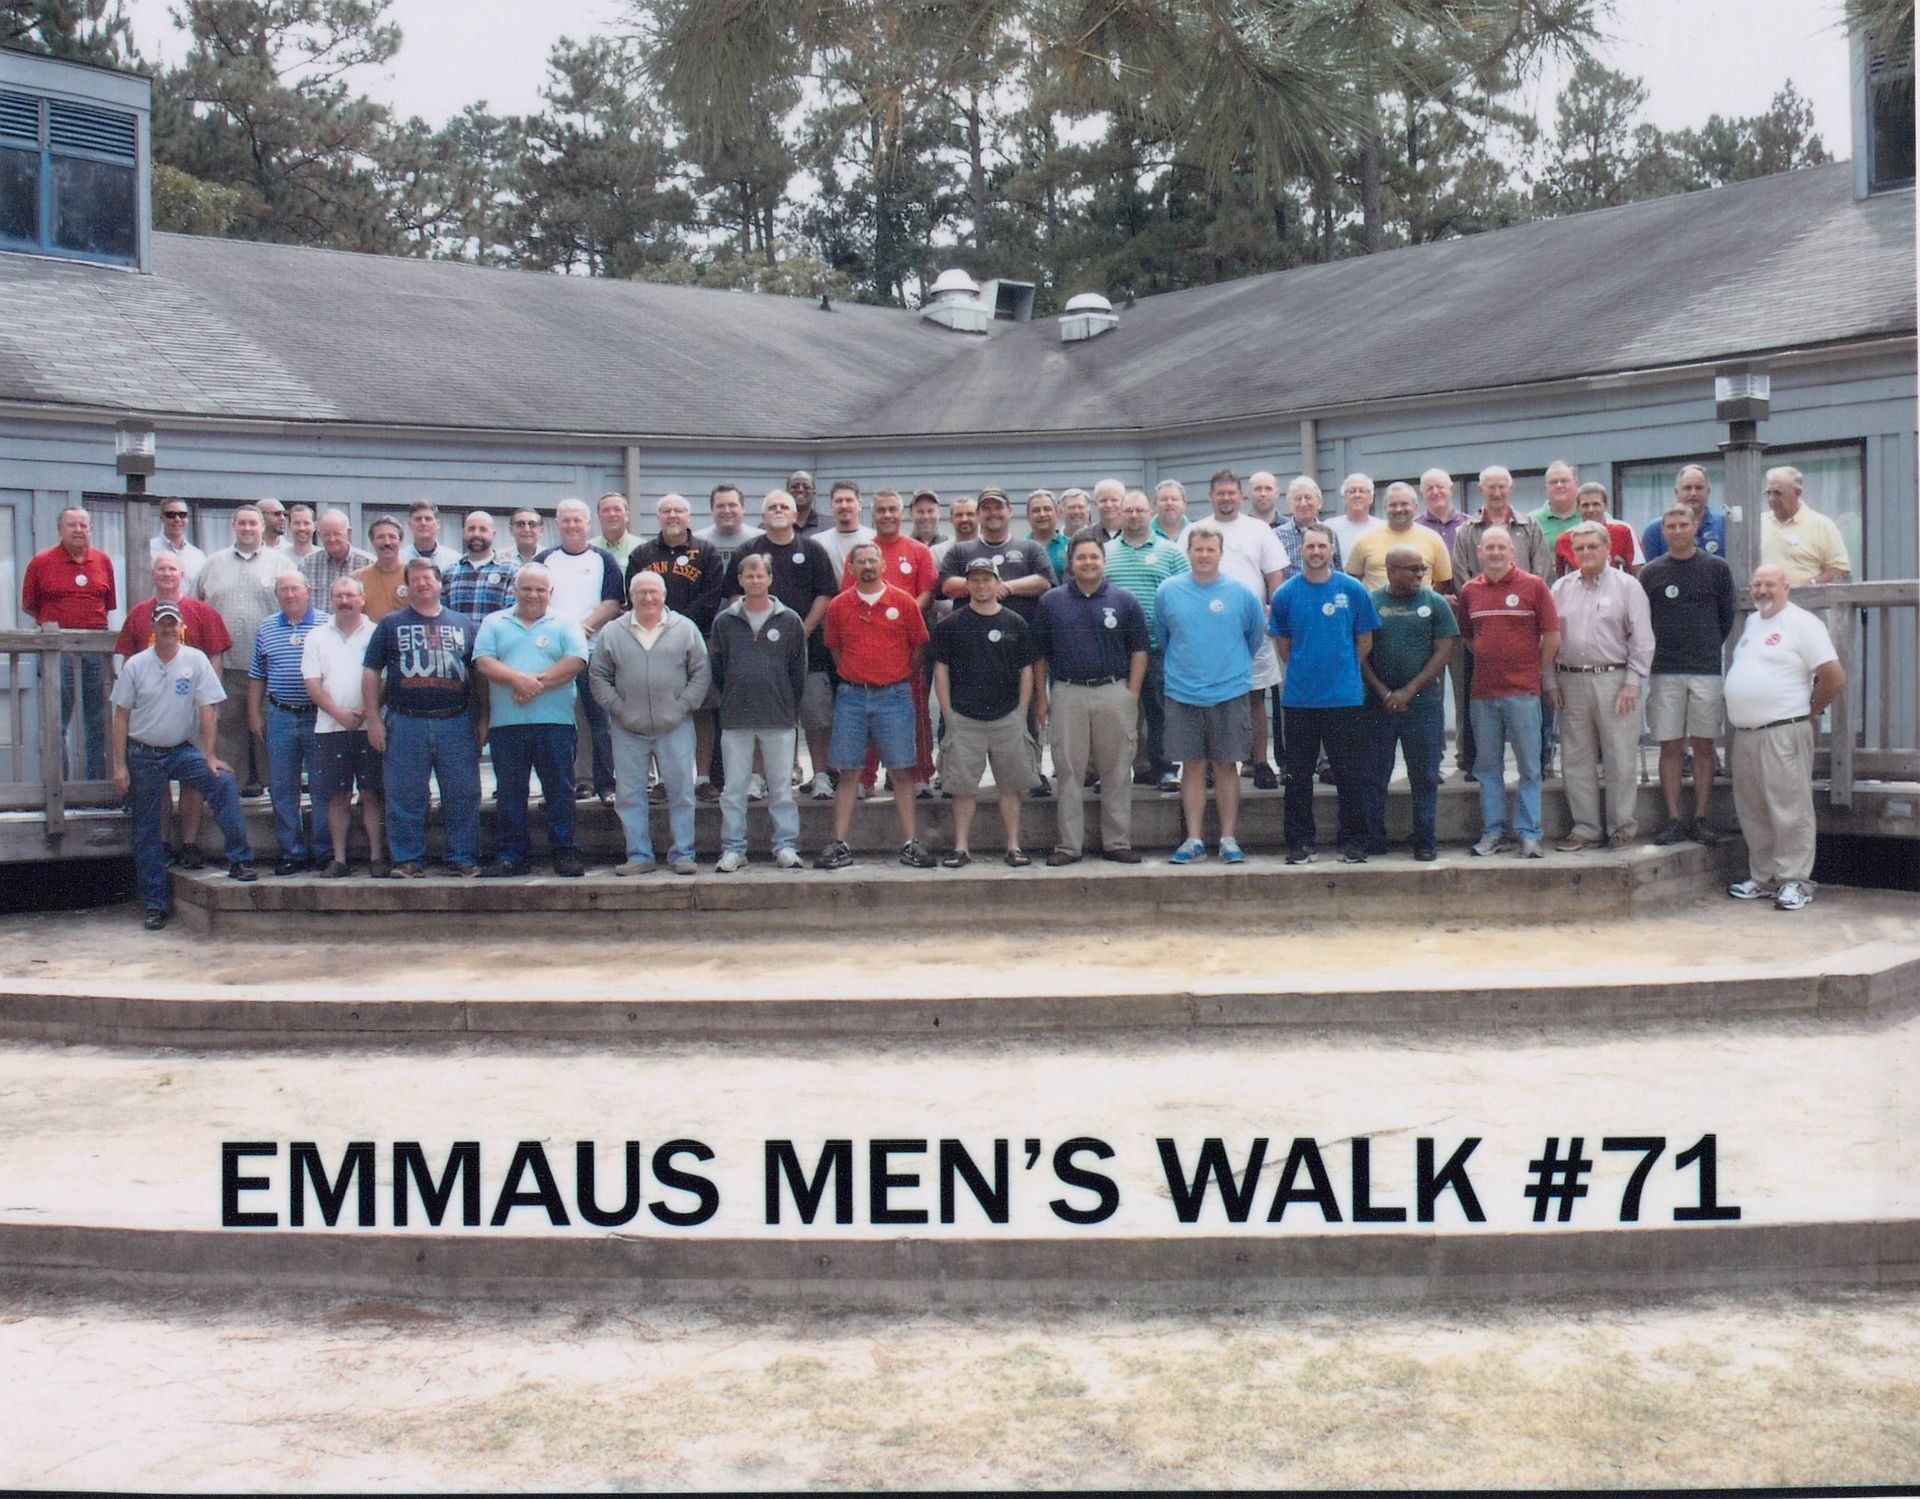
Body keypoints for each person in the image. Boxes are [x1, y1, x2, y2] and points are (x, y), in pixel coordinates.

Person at [111, 601, 257, 928]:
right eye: (162, 623)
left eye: (172, 623)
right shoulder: (136, 665)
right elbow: (120, 717)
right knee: (147, 830)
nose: (167, 629)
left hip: (180, 749)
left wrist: (209, 755)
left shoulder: (196, 660)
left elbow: (208, 709)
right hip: (143, 753)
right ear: (152, 626)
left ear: (181, 627)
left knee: (222, 782)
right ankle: (155, 904)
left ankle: (241, 860)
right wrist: (120, 766)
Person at [1725, 564, 1845, 911]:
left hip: (1783, 731)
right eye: (1756, 584)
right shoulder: (1752, 623)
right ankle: (1763, 879)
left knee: (1789, 809)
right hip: (1746, 733)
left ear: (1787, 587)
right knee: (1754, 809)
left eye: (1769, 584)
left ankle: (1796, 881)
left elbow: (1833, 676)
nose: (1762, 590)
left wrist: (1812, 708)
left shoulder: (1803, 623)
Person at [1032, 531, 1150, 865]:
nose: (1088, 563)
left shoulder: (1124, 600)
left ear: (1103, 561)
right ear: (1071, 563)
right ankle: (1069, 846)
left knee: (1116, 770)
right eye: (1081, 557)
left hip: (1114, 693)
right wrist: (1042, 698)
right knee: (1069, 771)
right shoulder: (1051, 602)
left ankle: (1117, 842)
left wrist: (1131, 694)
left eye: (1094, 557)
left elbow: (1140, 650)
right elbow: (1039, 655)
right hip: (1067, 692)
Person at [817, 540, 936, 869]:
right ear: (851, 568)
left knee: (901, 771)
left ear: (883, 565)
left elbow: (918, 649)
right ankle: (839, 844)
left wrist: (895, 678)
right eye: (861, 562)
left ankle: (911, 843)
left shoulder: (904, 603)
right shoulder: (839, 606)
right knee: (848, 772)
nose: (867, 566)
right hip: (852, 697)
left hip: (894, 696)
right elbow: (835, 650)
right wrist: (857, 676)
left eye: (873, 560)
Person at [362, 558, 483, 878]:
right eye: (414, 580)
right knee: (404, 795)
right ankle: (408, 859)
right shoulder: (389, 624)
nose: (422, 584)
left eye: (427, 578)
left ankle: (462, 857)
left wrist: (482, 720)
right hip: (405, 722)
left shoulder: (464, 624)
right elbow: (372, 671)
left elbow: (478, 675)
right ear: (407, 586)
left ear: (440, 583)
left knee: (463, 792)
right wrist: (373, 719)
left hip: (455, 721)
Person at [1154, 521, 1266, 864]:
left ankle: (1228, 839)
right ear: (1188, 552)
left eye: (1210, 550)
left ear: (1220, 553)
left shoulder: (1242, 592)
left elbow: (1254, 637)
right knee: (1192, 766)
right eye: (1198, 549)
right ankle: (1193, 840)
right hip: (1183, 692)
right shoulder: (1168, 591)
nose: (1204, 555)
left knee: (1226, 766)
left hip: (1229, 691)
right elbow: (1164, 637)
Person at [1270, 523, 1380, 864]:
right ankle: (1300, 842)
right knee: (1297, 776)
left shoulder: (1353, 590)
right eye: (1310, 547)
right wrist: (1309, 668)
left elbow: (1365, 641)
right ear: (1300, 550)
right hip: (1301, 699)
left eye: (1321, 546)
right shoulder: (1286, 594)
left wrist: (1340, 666)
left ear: (1332, 550)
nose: (1315, 552)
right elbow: (1284, 646)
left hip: (1344, 698)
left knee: (1350, 773)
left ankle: (1354, 841)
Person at [474, 562, 589, 878]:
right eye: (527, 588)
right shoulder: (495, 622)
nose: (534, 594)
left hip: (556, 723)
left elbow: (575, 661)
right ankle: (512, 856)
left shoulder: (565, 622)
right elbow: (483, 661)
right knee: (511, 791)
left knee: (559, 791)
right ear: (515, 590)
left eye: (541, 589)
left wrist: (531, 684)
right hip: (506, 725)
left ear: (550, 592)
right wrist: (518, 681)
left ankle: (565, 853)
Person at [591, 571, 710, 876]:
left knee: (681, 792)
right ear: (631, 596)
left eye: (653, 592)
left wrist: (683, 706)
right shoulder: (613, 632)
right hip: (628, 728)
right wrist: (619, 709)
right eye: (641, 592)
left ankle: (683, 853)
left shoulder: (684, 628)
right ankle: (639, 855)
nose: (647, 598)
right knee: (630, 795)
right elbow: (598, 676)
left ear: (664, 596)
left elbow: (701, 672)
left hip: (675, 726)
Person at [116, 553, 232, 868]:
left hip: (193, 712)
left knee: (195, 778)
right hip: (153, 713)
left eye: (173, 569)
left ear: (183, 574)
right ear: (153, 574)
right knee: (159, 785)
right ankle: (164, 842)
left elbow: (216, 657)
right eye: (162, 568)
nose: (168, 574)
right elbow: (128, 660)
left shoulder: (202, 612)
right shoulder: (139, 614)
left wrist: (213, 701)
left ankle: (190, 843)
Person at [938, 485, 1056, 792]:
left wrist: (1006, 587)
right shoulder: (962, 550)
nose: (993, 513)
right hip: (968, 654)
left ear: (1009, 512)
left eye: (998, 507)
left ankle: (1032, 773)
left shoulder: (1029, 549)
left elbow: (1044, 580)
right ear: (979, 514)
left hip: (1018, 649)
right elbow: (947, 584)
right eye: (986, 508)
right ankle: (951, 775)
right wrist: (982, 586)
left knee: (1025, 712)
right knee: (960, 715)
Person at [724, 489, 839, 800]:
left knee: (815, 715)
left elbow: (825, 595)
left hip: (809, 652)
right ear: (762, 516)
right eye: (771, 506)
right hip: (760, 654)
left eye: (784, 507)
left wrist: (801, 632)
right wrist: (758, 632)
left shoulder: (812, 550)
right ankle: (758, 778)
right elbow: (735, 595)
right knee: (763, 717)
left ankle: (821, 776)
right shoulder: (748, 550)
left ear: (794, 515)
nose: (778, 510)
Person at [1547, 523, 1654, 851]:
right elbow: (1548, 639)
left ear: (1608, 549)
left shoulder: (1627, 586)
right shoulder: (1560, 588)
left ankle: (1621, 826)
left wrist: (1633, 681)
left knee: (1620, 756)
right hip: (1570, 679)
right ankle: (1586, 828)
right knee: (1576, 758)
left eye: (1593, 547)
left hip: (1614, 680)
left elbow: (1643, 637)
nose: (1586, 553)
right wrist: (1549, 680)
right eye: (1580, 549)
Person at [1457, 526, 1560, 858]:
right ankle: (1494, 832)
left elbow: (1552, 636)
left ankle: (1530, 833)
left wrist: (1533, 669)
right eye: (1490, 548)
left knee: (1530, 766)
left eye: (1503, 548)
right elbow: (1469, 638)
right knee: (1487, 767)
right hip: (1483, 695)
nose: (1497, 553)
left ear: (1513, 552)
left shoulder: (1534, 586)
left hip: (1523, 693)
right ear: (1480, 553)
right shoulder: (1471, 591)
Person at [1641, 504, 1738, 846]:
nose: (1678, 530)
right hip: (1664, 669)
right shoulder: (1650, 573)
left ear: (1695, 526)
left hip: (1705, 670)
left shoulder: (1717, 568)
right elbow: (1643, 622)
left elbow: (1726, 617)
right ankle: (1673, 819)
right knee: (1669, 745)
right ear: (1663, 530)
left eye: (1684, 524)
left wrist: (1707, 646)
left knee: (1704, 745)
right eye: (1671, 525)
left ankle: (1700, 818)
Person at [932, 555, 1038, 868]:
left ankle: (1014, 846)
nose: (981, 585)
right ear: (967, 585)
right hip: (965, 718)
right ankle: (961, 848)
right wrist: (948, 714)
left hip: (1007, 717)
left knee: (1011, 785)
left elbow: (1027, 671)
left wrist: (1022, 712)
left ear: (997, 582)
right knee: (963, 788)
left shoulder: (1015, 623)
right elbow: (941, 671)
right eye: (975, 580)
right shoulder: (952, 625)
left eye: (987, 579)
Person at [708, 551, 807, 871]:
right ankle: (734, 848)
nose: (754, 580)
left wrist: (788, 706)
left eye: (760, 575)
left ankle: (785, 846)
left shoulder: (789, 620)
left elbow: (798, 671)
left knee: (781, 789)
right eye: (748, 576)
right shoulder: (724, 621)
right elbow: (717, 669)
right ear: (739, 580)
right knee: (734, 790)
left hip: (778, 717)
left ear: (770, 579)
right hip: (736, 718)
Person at [1359, 545, 1458, 860]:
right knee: (1375, 774)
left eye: (1422, 568)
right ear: (1390, 570)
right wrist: (1383, 691)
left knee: (1425, 774)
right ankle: (1375, 838)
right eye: (1412, 568)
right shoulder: (1371, 603)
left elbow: (1443, 651)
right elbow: (1360, 652)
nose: (1420, 574)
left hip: (1423, 705)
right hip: (1378, 705)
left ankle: (1425, 839)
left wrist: (1409, 690)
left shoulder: (1435, 602)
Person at [626, 493, 726, 800]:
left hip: (699, 637)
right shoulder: (642, 554)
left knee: (704, 708)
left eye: (679, 511)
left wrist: (678, 625)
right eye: (666, 511)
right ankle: (665, 780)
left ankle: (704, 778)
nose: (673, 515)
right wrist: (663, 627)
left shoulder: (706, 552)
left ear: (688, 516)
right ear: (657, 517)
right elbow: (634, 596)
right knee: (661, 707)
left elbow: (713, 596)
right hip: (652, 641)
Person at [844, 487, 939, 796]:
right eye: (881, 510)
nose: (887, 515)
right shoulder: (862, 552)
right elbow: (848, 596)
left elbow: (926, 593)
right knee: (867, 712)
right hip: (868, 649)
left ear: (903, 514)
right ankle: (866, 778)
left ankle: (920, 775)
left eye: (892, 510)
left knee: (916, 713)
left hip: (909, 645)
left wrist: (902, 615)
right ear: (873, 514)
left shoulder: (919, 552)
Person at [537, 497, 625, 802]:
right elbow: (537, 603)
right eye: (566, 520)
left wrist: (578, 630)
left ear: (588, 524)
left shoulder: (603, 560)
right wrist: (564, 635)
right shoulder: (544, 560)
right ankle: (577, 781)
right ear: (558, 524)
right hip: (555, 655)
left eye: (578, 520)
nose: (573, 525)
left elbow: (612, 603)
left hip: (595, 652)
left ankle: (606, 783)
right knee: (565, 722)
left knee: (600, 722)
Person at [1204, 469, 1287, 790]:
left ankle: (1260, 762)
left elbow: (1275, 576)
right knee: (1212, 701)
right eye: (1220, 493)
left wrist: (1269, 612)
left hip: (1252, 627)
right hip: (1209, 632)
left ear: (1241, 496)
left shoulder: (1259, 530)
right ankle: (1214, 765)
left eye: (1231, 493)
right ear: (1211, 497)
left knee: (1255, 697)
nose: (1226, 499)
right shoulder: (1197, 531)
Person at [300, 576, 386, 878]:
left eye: (350, 595)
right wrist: (339, 713)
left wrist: (366, 712)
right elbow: (312, 682)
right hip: (329, 727)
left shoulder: (377, 632)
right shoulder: (316, 636)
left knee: (372, 793)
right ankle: (339, 859)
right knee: (337, 797)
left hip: (370, 726)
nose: (344, 601)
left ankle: (377, 858)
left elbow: (385, 678)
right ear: (331, 600)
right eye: (339, 595)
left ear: (362, 599)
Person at [1103, 490, 1189, 793]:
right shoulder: (1105, 552)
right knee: (1114, 716)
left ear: (1149, 511)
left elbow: (1186, 597)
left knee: (1160, 712)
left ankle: (1165, 769)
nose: (1134, 516)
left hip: (1158, 648)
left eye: (1140, 510)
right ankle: (1111, 774)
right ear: (1120, 514)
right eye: (1129, 511)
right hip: (1113, 650)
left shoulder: (1171, 552)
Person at [23, 505, 116, 782]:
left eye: (83, 525)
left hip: (95, 651)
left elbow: (107, 604)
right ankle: (59, 785)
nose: (78, 530)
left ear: (90, 529)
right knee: (56, 720)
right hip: (57, 652)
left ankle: (96, 784)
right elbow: (30, 606)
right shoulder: (41, 562)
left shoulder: (103, 561)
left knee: (97, 721)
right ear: (60, 529)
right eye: (72, 525)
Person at [248, 569, 332, 874]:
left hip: (317, 715)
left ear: (308, 591)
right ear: (277, 595)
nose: (290, 594)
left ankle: (324, 851)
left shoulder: (326, 623)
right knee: (283, 787)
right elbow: (258, 673)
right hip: (281, 714)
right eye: (283, 589)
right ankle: (293, 852)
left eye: (295, 588)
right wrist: (254, 714)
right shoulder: (267, 627)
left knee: (323, 785)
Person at [193, 504, 280, 795]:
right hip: (225, 665)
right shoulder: (212, 563)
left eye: (252, 524)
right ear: (233, 526)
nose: (247, 528)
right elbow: (195, 609)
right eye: (241, 523)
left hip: (268, 668)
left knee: (266, 730)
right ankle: (233, 791)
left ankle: (271, 789)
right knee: (228, 731)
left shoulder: (281, 564)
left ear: (261, 527)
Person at [1344, 482, 1454, 591]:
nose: (1398, 509)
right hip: (1376, 607)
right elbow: (1352, 579)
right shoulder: (1365, 539)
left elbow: (1443, 581)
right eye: (1393, 505)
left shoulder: (1433, 539)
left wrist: (1426, 600)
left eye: (1404, 504)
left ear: (1416, 507)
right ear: (1385, 508)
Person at [1760, 465, 1851, 584]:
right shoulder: (1758, 523)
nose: (1772, 498)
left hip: (1808, 601)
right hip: (1763, 600)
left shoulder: (1821, 524)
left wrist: (1811, 584)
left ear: (1798, 492)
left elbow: (1840, 569)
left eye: (1778, 493)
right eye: (1769, 493)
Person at [1641, 464, 1726, 564]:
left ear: (1708, 491)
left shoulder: (1725, 525)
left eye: (1699, 488)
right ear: (1677, 492)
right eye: (1687, 488)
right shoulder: (1654, 530)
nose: (1693, 493)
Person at [1552, 483, 1640, 577]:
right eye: (1585, 505)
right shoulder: (1564, 540)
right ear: (1577, 508)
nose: (1590, 509)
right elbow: (1561, 575)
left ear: (1606, 505)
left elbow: (1637, 569)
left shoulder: (1624, 531)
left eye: (1596, 504)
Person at [443, 511, 518, 620]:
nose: (476, 534)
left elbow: (511, 615)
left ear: (494, 534)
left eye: (483, 529)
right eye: (471, 529)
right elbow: (443, 616)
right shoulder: (449, 573)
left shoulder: (510, 571)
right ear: (463, 533)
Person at [1274, 477, 1341, 576]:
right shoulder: (1277, 536)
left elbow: (1338, 570)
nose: (1303, 503)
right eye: (1298, 498)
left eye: (1308, 497)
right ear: (1290, 504)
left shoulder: (1330, 533)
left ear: (1319, 502)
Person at [300, 508, 373, 598]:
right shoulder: (307, 564)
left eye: (337, 534)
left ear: (349, 532)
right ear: (319, 535)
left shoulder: (368, 564)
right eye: (326, 534)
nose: (332, 539)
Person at [817, 479, 877, 585]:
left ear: (860, 505)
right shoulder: (819, 542)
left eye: (849, 500)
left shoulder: (874, 539)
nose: (844, 505)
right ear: (831, 505)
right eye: (839, 501)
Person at [353, 516, 411, 623]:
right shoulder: (357, 579)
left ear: (401, 540)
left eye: (392, 537)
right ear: (372, 541)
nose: (387, 542)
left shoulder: (414, 576)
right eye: (380, 537)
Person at [694, 483, 764, 569]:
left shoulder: (761, 539)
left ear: (743, 508)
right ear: (712, 510)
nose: (727, 511)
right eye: (720, 506)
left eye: (732, 505)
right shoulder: (697, 541)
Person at [1531, 460, 1584, 560]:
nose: (1559, 485)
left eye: (1564, 481)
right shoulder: (1531, 522)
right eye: (1553, 482)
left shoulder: (1592, 515)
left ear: (1576, 484)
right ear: (1546, 487)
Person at [150, 498, 207, 588]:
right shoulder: (148, 551)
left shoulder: (198, 556)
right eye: (171, 515)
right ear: (161, 518)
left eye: (182, 515)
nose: (177, 519)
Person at [1325, 473, 1383, 557]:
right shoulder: (1330, 527)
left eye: (1362, 491)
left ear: (1371, 498)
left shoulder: (1382, 527)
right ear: (1344, 498)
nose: (1357, 495)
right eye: (1352, 491)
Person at [404, 499, 460, 571]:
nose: (423, 523)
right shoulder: (401, 559)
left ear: (438, 524)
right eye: (418, 519)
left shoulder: (454, 560)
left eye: (428, 519)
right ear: (410, 525)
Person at [590, 491, 641, 567]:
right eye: (606, 510)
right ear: (599, 516)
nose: (612, 514)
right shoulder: (589, 549)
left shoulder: (641, 549)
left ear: (627, 516)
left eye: (617, 509)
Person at [1027, 489, 1066, 577]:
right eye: (1036, 510)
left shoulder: (1071, 546)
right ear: (1028, 516)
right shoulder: (1021, 549)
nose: (1042, 514)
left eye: (1047, 509)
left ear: (1057, 513)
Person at [787, 469, 826, 537]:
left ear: (814, 494)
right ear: (786, 493)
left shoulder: (829, 526)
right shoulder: (770, 526)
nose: (800, 490)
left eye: (806, 487)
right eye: (795, 487)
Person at [1152, 480, 1189, 545]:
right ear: (1155, 504)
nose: (1169, 503)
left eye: (1174, 499)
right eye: (1164, 499)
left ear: (1184, 503)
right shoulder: (1144, 534)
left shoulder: (1194, 532)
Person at [1091, 478, 1127, 542]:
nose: (1109, 505)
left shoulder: (1135, 534)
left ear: (1124, 502)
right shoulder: (1085, 536)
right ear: (1096, 503)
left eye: (1114, 500)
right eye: (1103, 500)